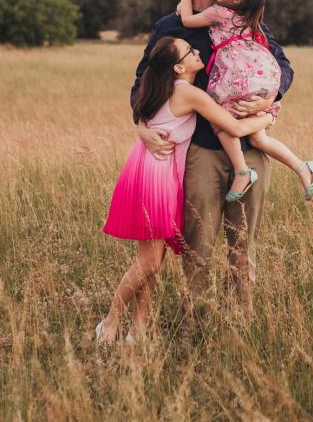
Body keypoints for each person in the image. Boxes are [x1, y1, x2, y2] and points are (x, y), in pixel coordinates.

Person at [131, 0, 294, 306]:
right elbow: (142, 82)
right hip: (201, 151)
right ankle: (197, 322)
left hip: (251, 150)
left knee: (243, 243)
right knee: (198, 244)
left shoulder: (248, 20)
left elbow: (284, 67)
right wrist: (141, 126)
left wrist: (270, 98)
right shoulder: (172, 28)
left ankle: (240, 321)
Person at [96, 36, 275, 343]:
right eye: (190, 52)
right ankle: (110, 321)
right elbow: (232, 127)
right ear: (179, 67)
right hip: (156, 175)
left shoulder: (163, 88)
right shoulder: (188, 93)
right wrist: (266, 116)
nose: (198, 51)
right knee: (150, 262)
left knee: (155, 259)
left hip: (151, 170)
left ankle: (138, 329)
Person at [179, 0, 313, 202]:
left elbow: (188, 21)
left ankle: (242, 170)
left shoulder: (219, 12)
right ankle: (301, 166)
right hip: (262, 76)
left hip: (237, 78)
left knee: (220, 115)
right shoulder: (251, 19)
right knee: (259, 137)